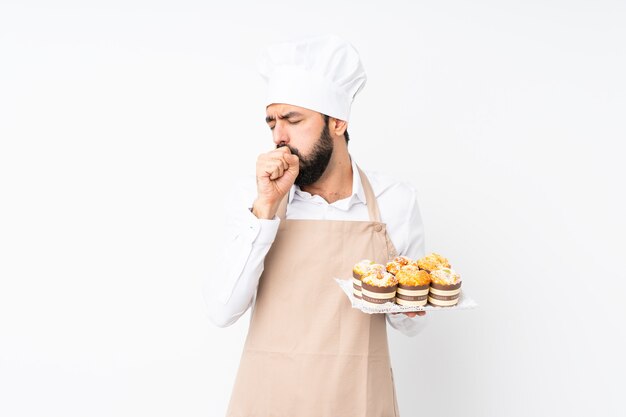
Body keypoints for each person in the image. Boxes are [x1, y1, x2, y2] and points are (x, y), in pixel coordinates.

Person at [204, 35, 428, 417]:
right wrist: (266, 208)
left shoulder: (393, 199)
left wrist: (409, 305)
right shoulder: (254, 197)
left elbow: (410, 326)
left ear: (337, 121)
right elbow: (222, 311)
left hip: (358, 401)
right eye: (272, 122)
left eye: (293, 120)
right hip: (268, 401)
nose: (279, 137)